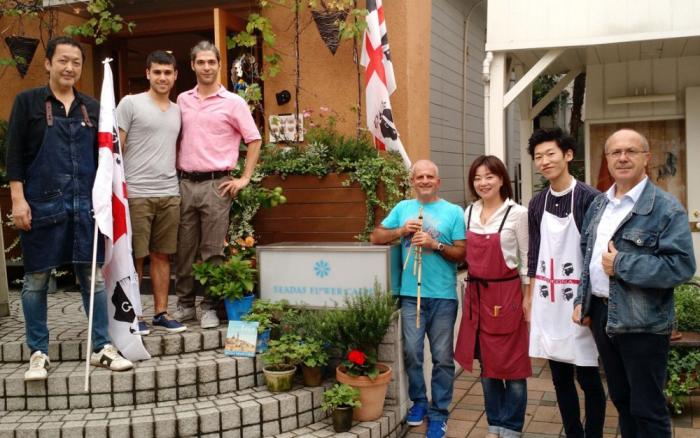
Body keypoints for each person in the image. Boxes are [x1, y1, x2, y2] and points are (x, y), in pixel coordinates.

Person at [6, 36, 133, 381]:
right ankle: (38, 352)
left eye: (76, 62)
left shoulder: (92, 108)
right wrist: (18, 199)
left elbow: (106, 159)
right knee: (35, 279)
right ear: (48, 63)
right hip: (41, 203)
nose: (69, 68)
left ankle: (101, 347)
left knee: (91, 278)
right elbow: (14, 154)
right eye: (63, 60)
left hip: (84, 206)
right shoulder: (28, 102)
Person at [573, 129, 696, 438]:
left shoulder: (666, 208)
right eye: (615, 152)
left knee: (648, 408)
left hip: (643, 323)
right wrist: (582, 300)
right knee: (623, 400)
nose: (623, 157)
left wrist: (623, 264)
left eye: (631, 151)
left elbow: (681, 266)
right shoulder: (598, 205)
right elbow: (587, 257)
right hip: (602, 317)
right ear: (607, 159)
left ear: (646, 158)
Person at [370, 160, 466, 438]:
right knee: (412, 353)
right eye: (419, 176)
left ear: (438, 181)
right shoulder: (403, 208)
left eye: (430, 176)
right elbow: (375, 236)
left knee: (442, 358)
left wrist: (434, 245)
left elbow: (462, 254)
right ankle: (420, 402)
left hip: (443, 296)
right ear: (412, 181)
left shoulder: (453, 211)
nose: (424, 180)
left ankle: (439, 412)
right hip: (411, 296)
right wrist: (401, 231)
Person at [172, 41, 262, 329]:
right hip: (185, 182)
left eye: (212, 62)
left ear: (219, 65)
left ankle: (209, 305)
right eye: (201, 62)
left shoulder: (233, 102)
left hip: (217, 184)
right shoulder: (182, 99)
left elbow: (254, 139)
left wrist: (244, 178)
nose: (207, 67)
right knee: (184, 248)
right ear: (193, 65)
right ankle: (184, 304)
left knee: (213, 251)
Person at [526, 128, 605, 438]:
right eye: (538, 157)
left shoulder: (590, 199)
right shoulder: (536, 203)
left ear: (568, 155)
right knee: (559, 376)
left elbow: (596, 255)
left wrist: (587, 301)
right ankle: (573, 432)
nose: (544, 161)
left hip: (579, 299)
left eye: (550, 154)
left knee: (588, 377)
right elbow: (534, 252)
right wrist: (530, 297)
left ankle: (594, 433)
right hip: (548, 296)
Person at [455, 155, 530, 438]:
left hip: (508, 293)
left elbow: (527, 259)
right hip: (477, 295)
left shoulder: (517, 214)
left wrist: (527, 298)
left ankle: (512, 427)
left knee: (512, 364)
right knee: (487, 364)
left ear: (501, 179)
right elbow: (462, 252)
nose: (483, 182)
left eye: (489, 176)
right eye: (477, 177)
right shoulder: (468, 213)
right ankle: (494, 423)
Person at [116, 50, 186, 335]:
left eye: (167, 72)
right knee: (136, 256)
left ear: (175, 76)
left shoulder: (178, 110)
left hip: (170, 192)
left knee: (162, 255)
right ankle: (135, 314)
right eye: (157, 72)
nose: (162, 77)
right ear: (147, 74)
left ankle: (161, 312)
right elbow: (115, 149)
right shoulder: (130, 104)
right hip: (136, 193)